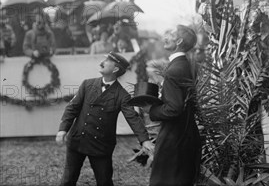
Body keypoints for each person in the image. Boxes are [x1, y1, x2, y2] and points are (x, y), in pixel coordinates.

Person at [56, 51, 154, 186]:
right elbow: (72, 108)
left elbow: (133, 117)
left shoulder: (122, 95)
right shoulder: (87, 84)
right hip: (77, 140)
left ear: (115, 69)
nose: (101, 63)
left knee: (104, 181)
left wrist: (145, 140)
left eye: (107, 61)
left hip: (101, 146)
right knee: (67, 180)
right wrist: (63, 129)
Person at [141, 25, 201, 186]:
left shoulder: (175, 69)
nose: (165, 36)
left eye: (170, 34)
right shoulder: (188, 65)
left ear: (179, 41)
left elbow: (174, 108)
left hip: (174, 141)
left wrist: (151, 110)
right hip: (188, 135)